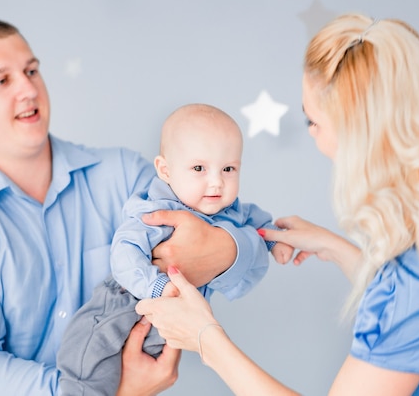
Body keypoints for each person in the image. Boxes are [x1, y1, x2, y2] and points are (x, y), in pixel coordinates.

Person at [136, 13, 419, 395]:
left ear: (356, 134)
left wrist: (207, 339)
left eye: (313, 121)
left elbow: (418, 295)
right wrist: (336, 248)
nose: (313, 136)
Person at [0, 18, 271, 396]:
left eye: (31, 71)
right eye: (2, 80)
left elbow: (226, 246)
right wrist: (108, 391)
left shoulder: (124, 175)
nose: (29, 88)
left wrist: (229, 247)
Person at [56, 103, 293, 395]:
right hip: (123, 304)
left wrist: (273, 240)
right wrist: (155, 286)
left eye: (228, 168)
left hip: (170, 324)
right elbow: (124, 253)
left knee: (137, 371)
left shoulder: (231, 209)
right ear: (165, 170)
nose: (216, 182)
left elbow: (257, 222)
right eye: (199, 168)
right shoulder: (155, 210)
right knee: (89, 364)